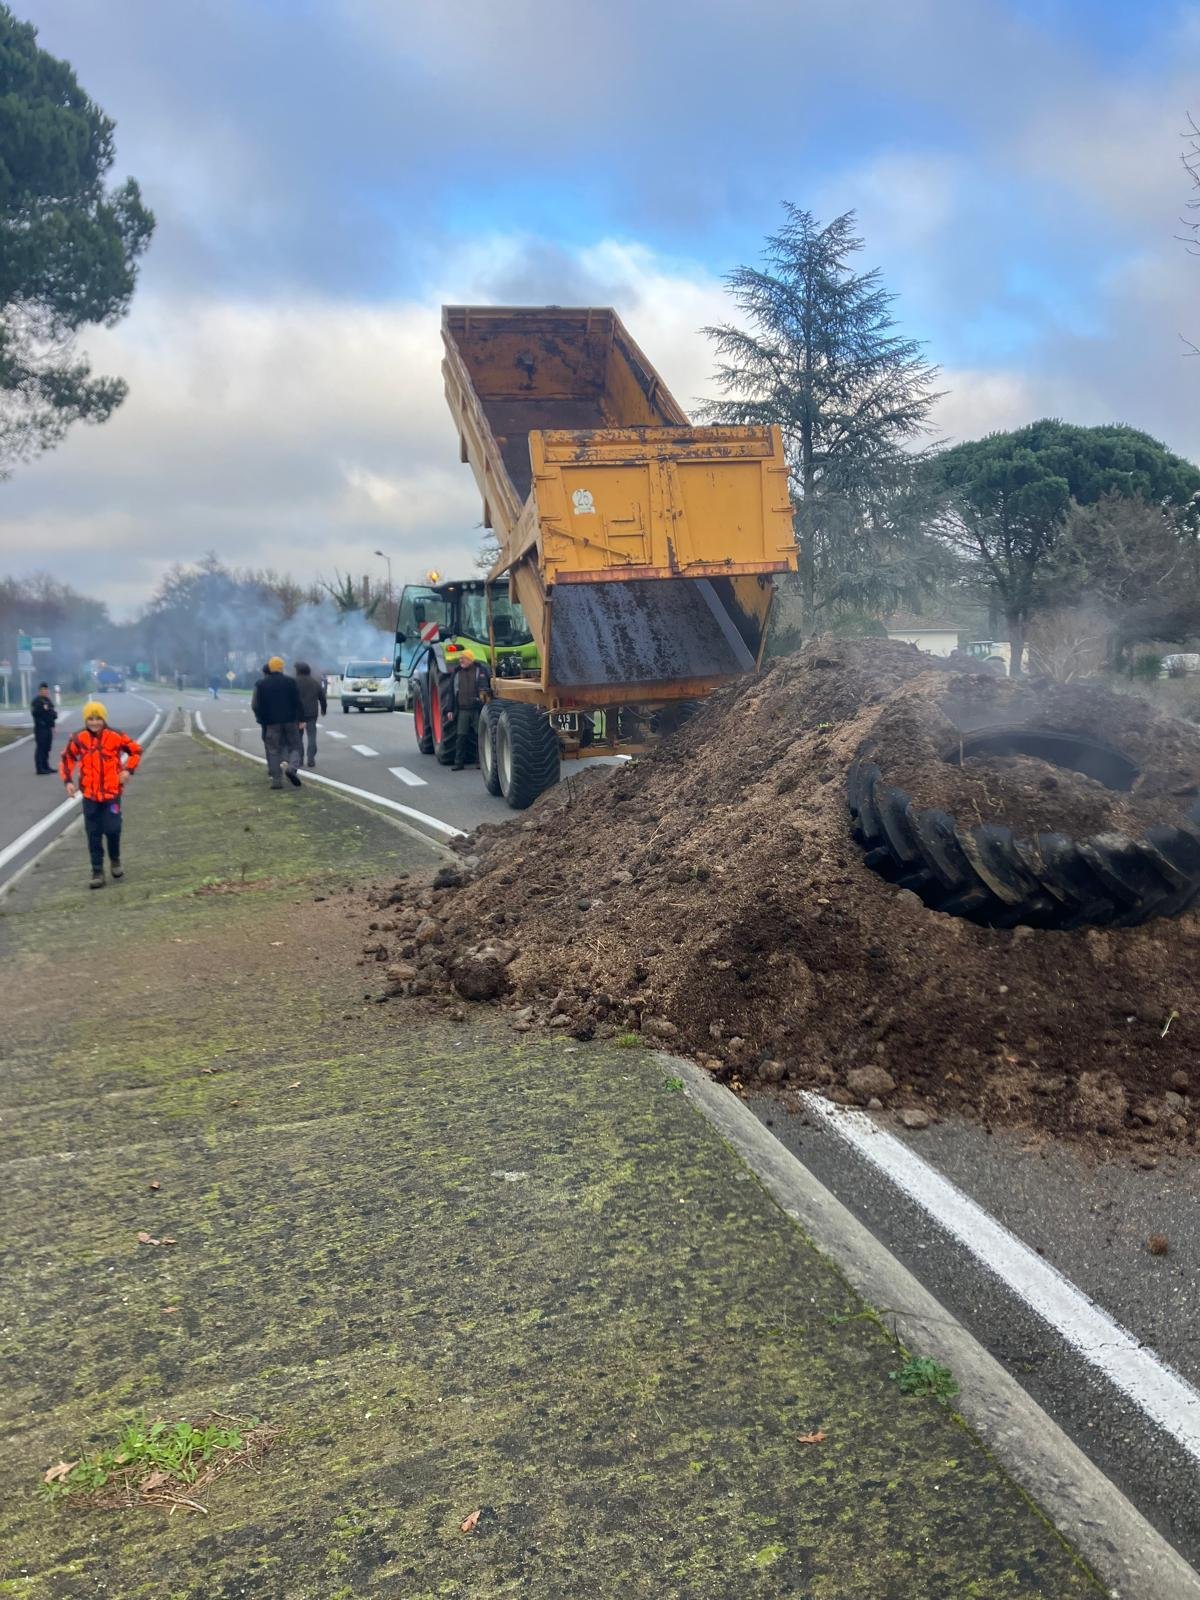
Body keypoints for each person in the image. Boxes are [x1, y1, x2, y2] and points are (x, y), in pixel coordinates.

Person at [58, 701, 142, 889]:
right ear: (85, 719)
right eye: (90, 718)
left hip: (112, 794)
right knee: (93, 834)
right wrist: (68, 781)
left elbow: (136, 751)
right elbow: (67, 758)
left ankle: (115, 859)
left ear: (104, 719)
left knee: (113, 828)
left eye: (98, 718)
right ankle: (97, 871)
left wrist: (128, 770)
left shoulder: (116, 736)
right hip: (90, 796)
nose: (94, 722)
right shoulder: (78, 738)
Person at [251, 656, 303, 789]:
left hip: (271, 723)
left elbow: (257, 705)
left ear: (270, 667)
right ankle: (292, 768)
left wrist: (262, 719)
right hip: (290, 721)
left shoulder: (261, 684)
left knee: (273, 750)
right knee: (295, 746)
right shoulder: (290, 682)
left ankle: (276, 780)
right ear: (281, 668)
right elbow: (297, 702)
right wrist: (301, 719)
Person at [451, 649, 492, 770]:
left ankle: (480, 762)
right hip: (462, 710)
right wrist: (449, 709)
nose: (460, 660)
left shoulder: (480, 671)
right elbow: (451, 692)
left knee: (480, 736)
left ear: (470, 659)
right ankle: (458, 763)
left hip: (477, 710)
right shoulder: (457, 673)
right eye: (460, 658)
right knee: (461, 737)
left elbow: (487, 688)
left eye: (463, 658)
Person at [293, 661, 326, 769]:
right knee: (312, 737)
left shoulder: (293, 682)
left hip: (297, 714)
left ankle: (300, 759)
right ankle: (311, 758)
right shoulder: (314, 683)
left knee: (298, 737)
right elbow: (322, 698)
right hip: (311, 714)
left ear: (298, 671)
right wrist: (323, 709)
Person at [31, 681, 57, 774]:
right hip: (41, 728)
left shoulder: (48, 701)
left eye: (46, 690)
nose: (45, 692)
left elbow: (53, 713)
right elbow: (35, 713)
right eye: (43, 690)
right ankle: (40, 768)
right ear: (39, 691)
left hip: (48, 728)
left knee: (47, 748)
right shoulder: (36, 701)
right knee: (41, 748)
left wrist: (53, 726)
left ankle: (46, 766)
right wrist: (44, 709)